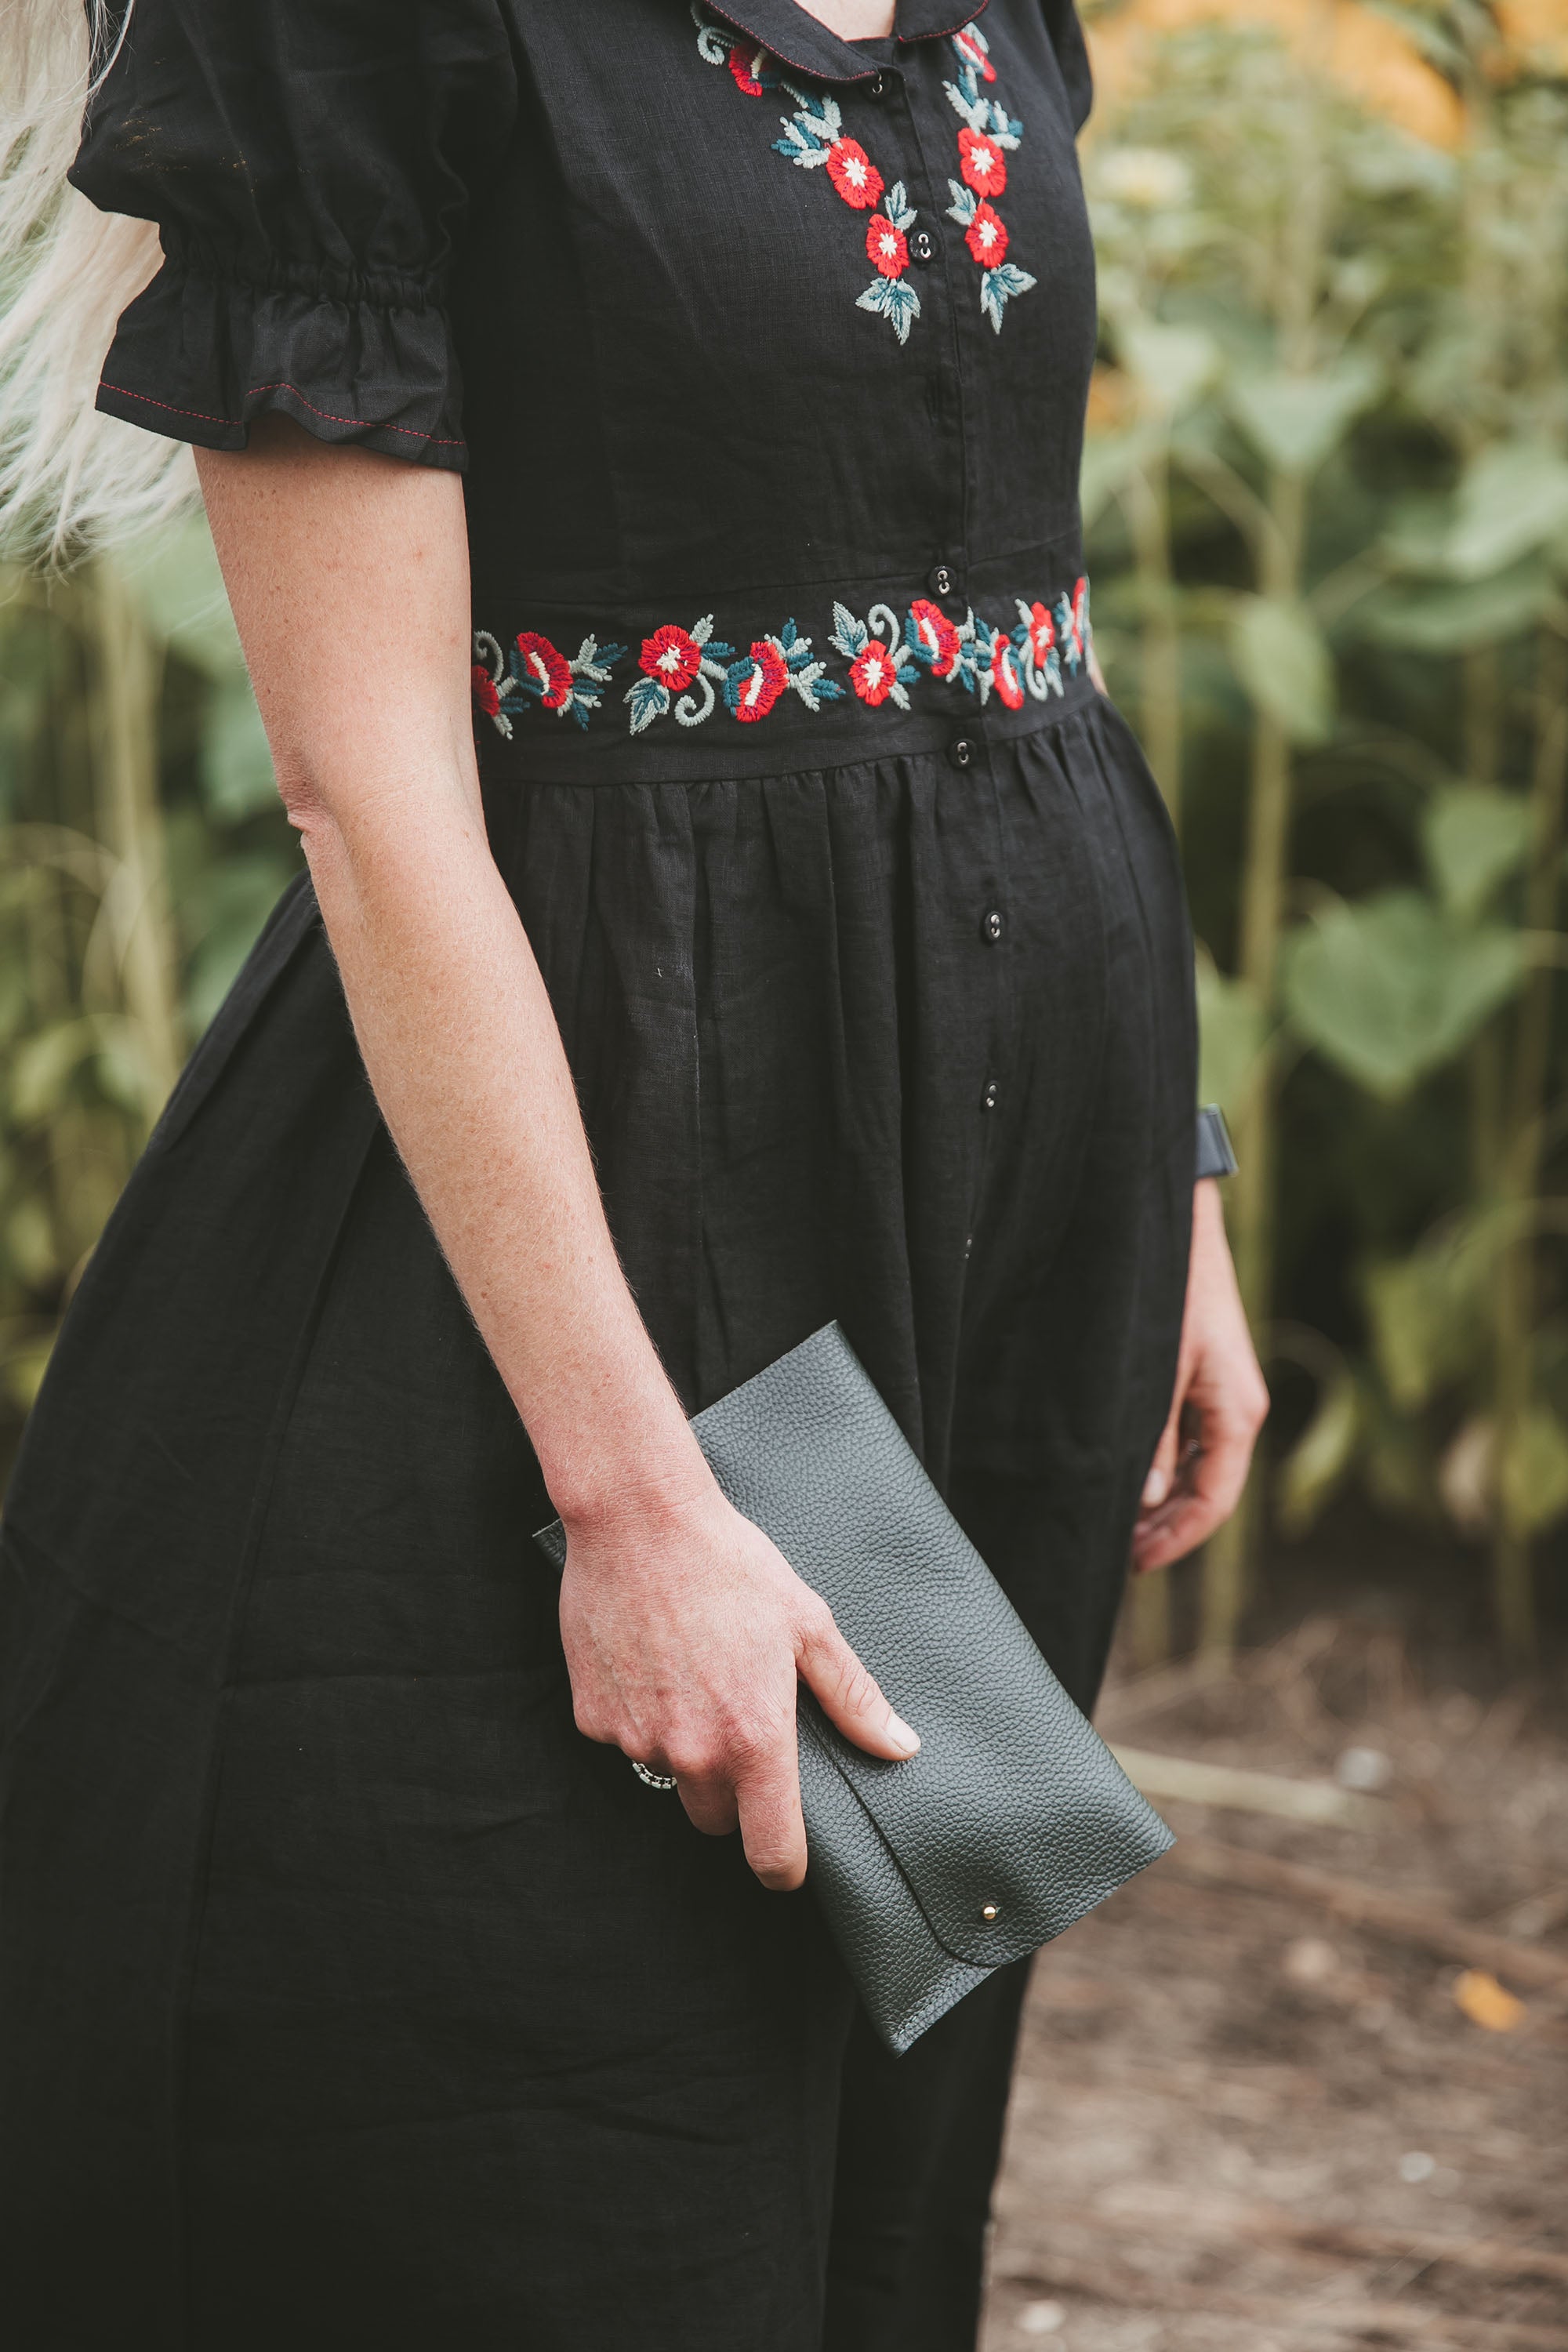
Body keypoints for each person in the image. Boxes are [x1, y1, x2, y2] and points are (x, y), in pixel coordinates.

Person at [0, 2, 1269, 2346]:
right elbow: (372, 802)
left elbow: (1008, 573)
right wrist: (634, 1492)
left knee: (891, 2092)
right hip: (578, 1223)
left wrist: (1170, 1180)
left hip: (1017, 1180)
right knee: (540, 2135)